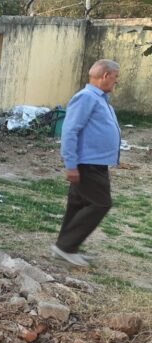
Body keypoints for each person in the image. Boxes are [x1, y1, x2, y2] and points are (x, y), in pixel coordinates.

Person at [53, 59, 121, 267]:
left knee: (78, 203)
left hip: (95, 163)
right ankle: (66, 246)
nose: (116, 82)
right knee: (101, 203)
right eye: (115, 77)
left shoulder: (100, 98)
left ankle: (66, 247)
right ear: (106, 76)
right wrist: (71, 164)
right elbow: (70, 130)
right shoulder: (86, 97)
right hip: (87, 163)